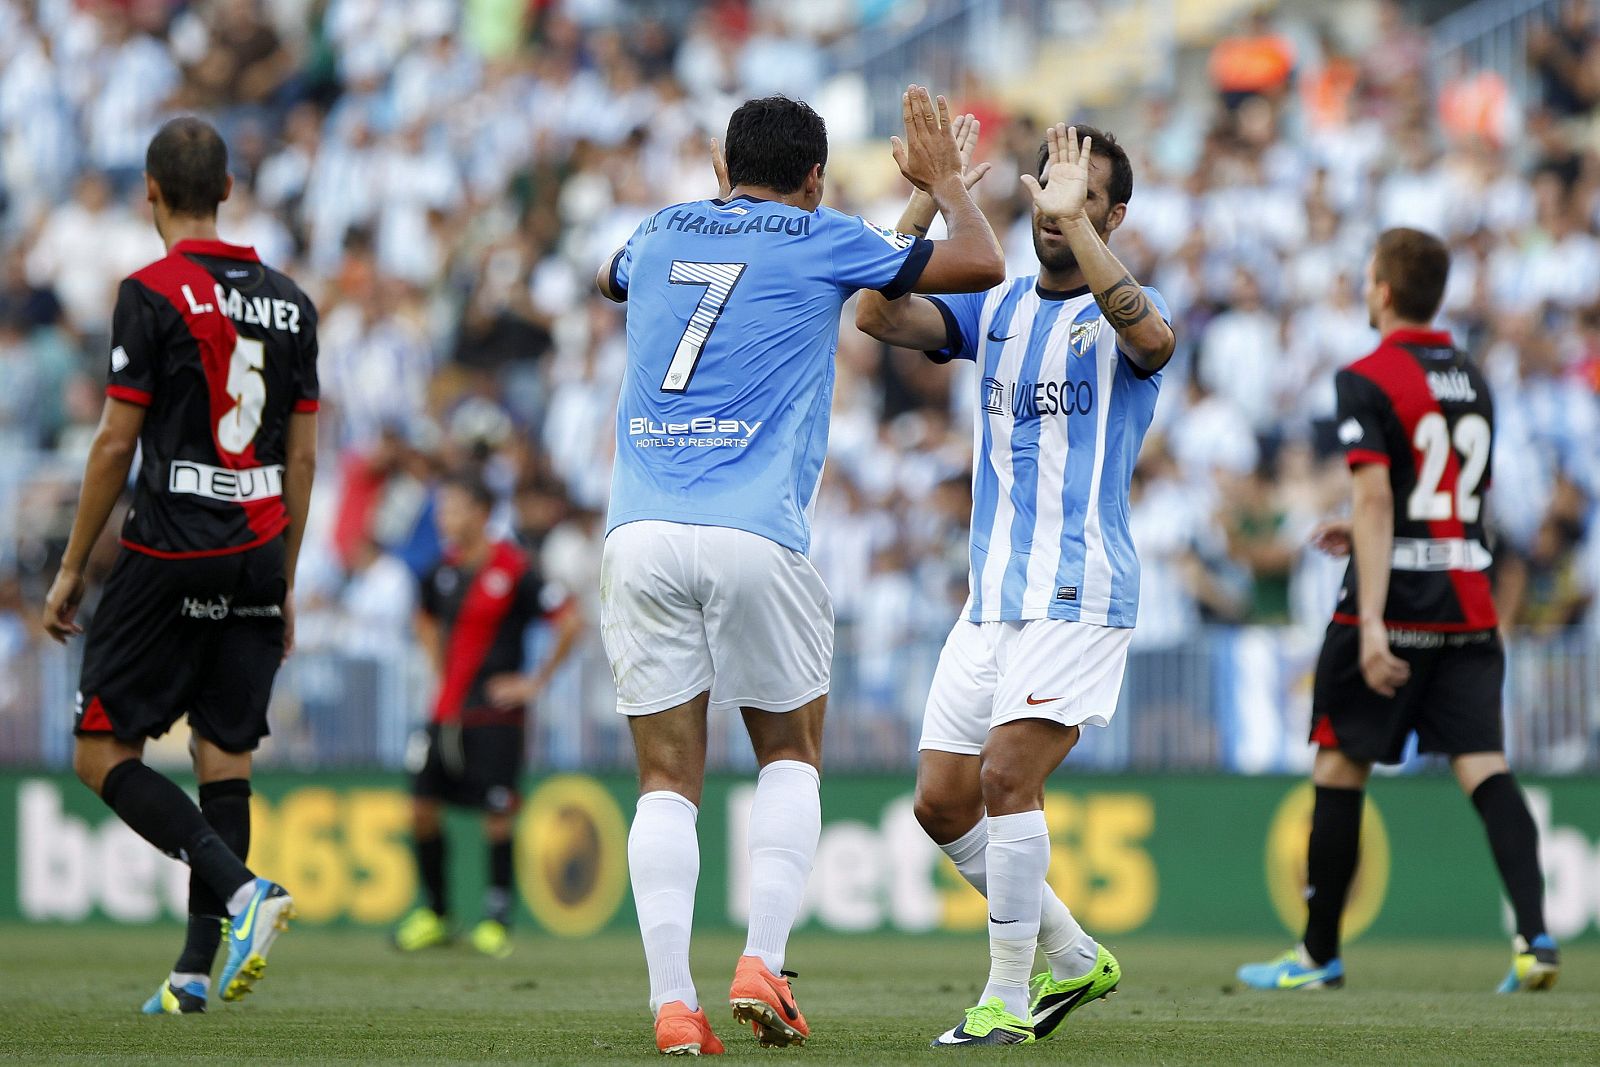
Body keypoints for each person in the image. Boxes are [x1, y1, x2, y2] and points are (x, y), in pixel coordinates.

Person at [595, 88, 1005, 1055]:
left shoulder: (655, 232)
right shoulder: (817, 234)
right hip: (752, 532)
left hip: (640, 528)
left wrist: (715, 203)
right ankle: (762, 963)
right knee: (788, 751)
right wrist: (945, 184)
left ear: (721, 163)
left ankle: (671, 1005)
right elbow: (981, 263)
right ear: (815, 179)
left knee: (665, 777)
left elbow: (613, 276)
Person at [855, 121, 1175, 1046]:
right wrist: (926, 192)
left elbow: (1150, 339)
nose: (1052, 201)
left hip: (1080, 592)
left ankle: (1003, 996)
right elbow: (875, 315)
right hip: (991, 596)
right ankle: (1075, 955)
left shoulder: (1122, 309)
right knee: (941, 800)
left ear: (1113, 213)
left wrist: (1079, 231)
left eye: (1079, 192)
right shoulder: (994, 309)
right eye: (1045, 185)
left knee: (1004, 775)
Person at [40, 116, 318, 1013]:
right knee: (222, 753)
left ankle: (241, 891)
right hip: (256, 555)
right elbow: (305, 458)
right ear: (230, 189)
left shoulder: (149, 291)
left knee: (98, 750)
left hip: (170, 550)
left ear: (149, 193)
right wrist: (283, 578)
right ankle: (194, 975)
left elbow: (116, 438)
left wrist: (74, 567)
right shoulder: (292, 301)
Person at [1237, 228, 1559, 993]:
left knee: (1338, 765)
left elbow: (1379, 492)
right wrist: (1388, 527)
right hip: (1469, 597)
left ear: (1381, 289)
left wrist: (1376, 619)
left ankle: (1319, 954)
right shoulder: (1473, 375)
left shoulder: (1368, 375)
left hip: (1397, 601)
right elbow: (1456, 497)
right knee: (1486, 767)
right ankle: (1537, 939)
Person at [393, 474, 582, 959]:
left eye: (452, 508)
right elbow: (424, 616)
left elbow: (570, 620)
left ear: (479, 513)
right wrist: (440, 665)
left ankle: (496, 919)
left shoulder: (516, 569)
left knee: (497, 814)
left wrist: (534, 682)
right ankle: (437, 913)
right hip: (445, 711)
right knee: (421, 808)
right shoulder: (442, 571)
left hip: (496, 716)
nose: (443, 518)